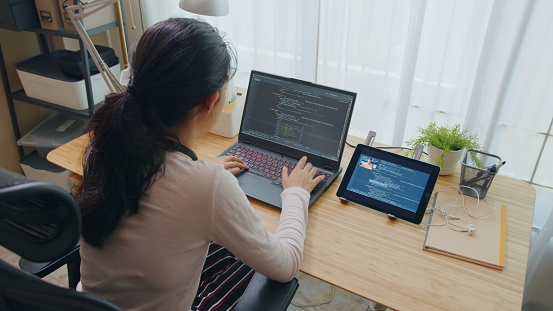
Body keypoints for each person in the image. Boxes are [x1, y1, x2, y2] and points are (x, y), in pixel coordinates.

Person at [73, 17, 324, 311]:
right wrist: (297, 193)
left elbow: (164, 192)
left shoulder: (104, 145)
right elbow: (287, 265)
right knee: (250, 258)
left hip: (87, 303)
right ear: (210, 101)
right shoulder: (206, 186)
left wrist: (199, 172)